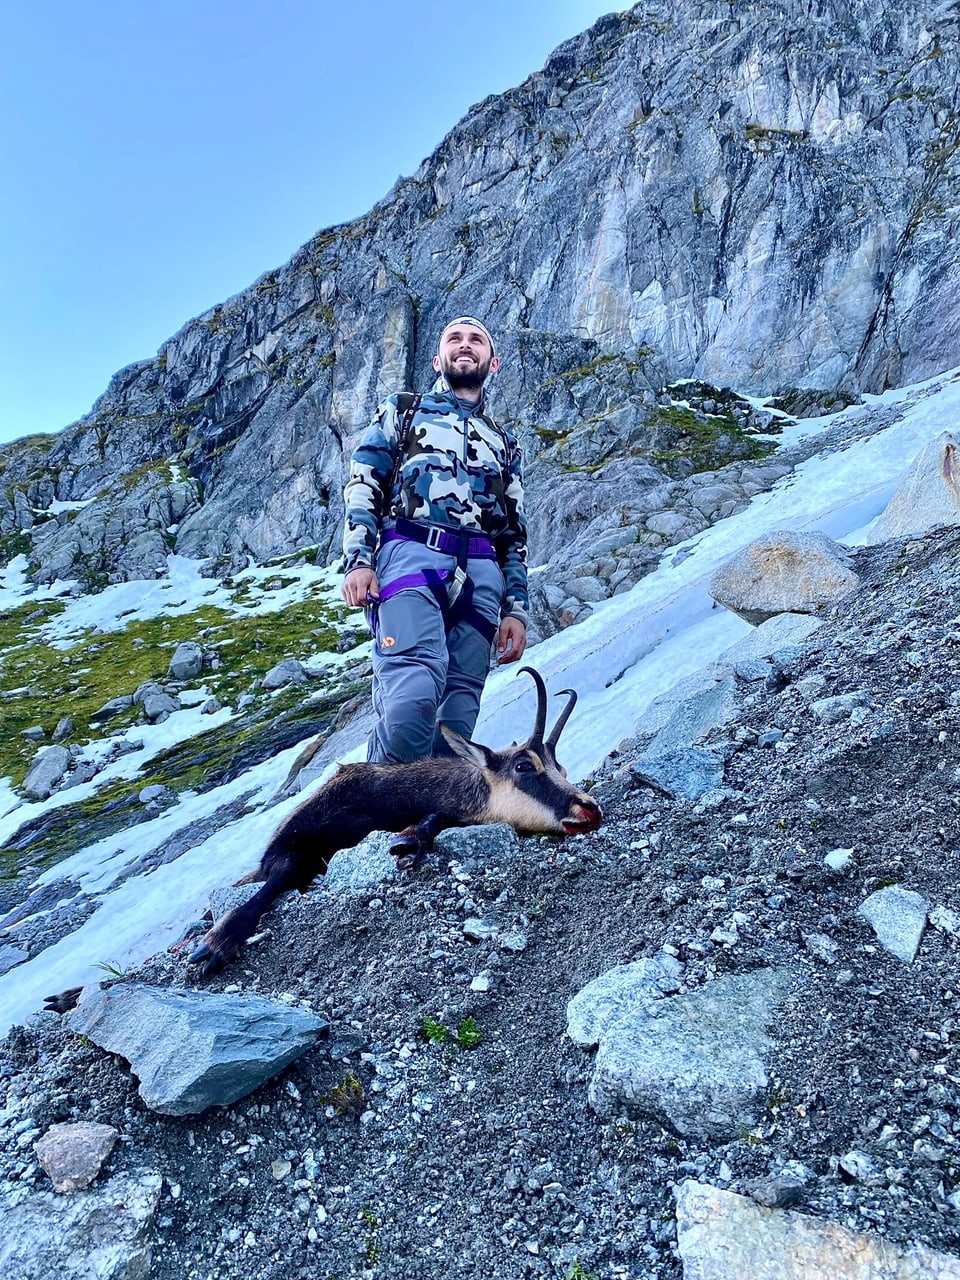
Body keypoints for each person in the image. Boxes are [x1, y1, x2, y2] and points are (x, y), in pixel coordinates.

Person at [341, 315, 528, 766]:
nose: (466, 345)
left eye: (476, 339)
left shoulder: (503, 441)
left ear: (493, 362)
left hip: (483, 577)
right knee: (411, 698)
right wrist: (359, 560)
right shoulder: (403, 410)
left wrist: (516, 610)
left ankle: (427, 828)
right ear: (437, 357)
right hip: (411, 554)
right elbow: (365, 482)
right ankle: (372, 805)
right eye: (455, 339)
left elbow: (513, 533)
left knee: (458, 720)